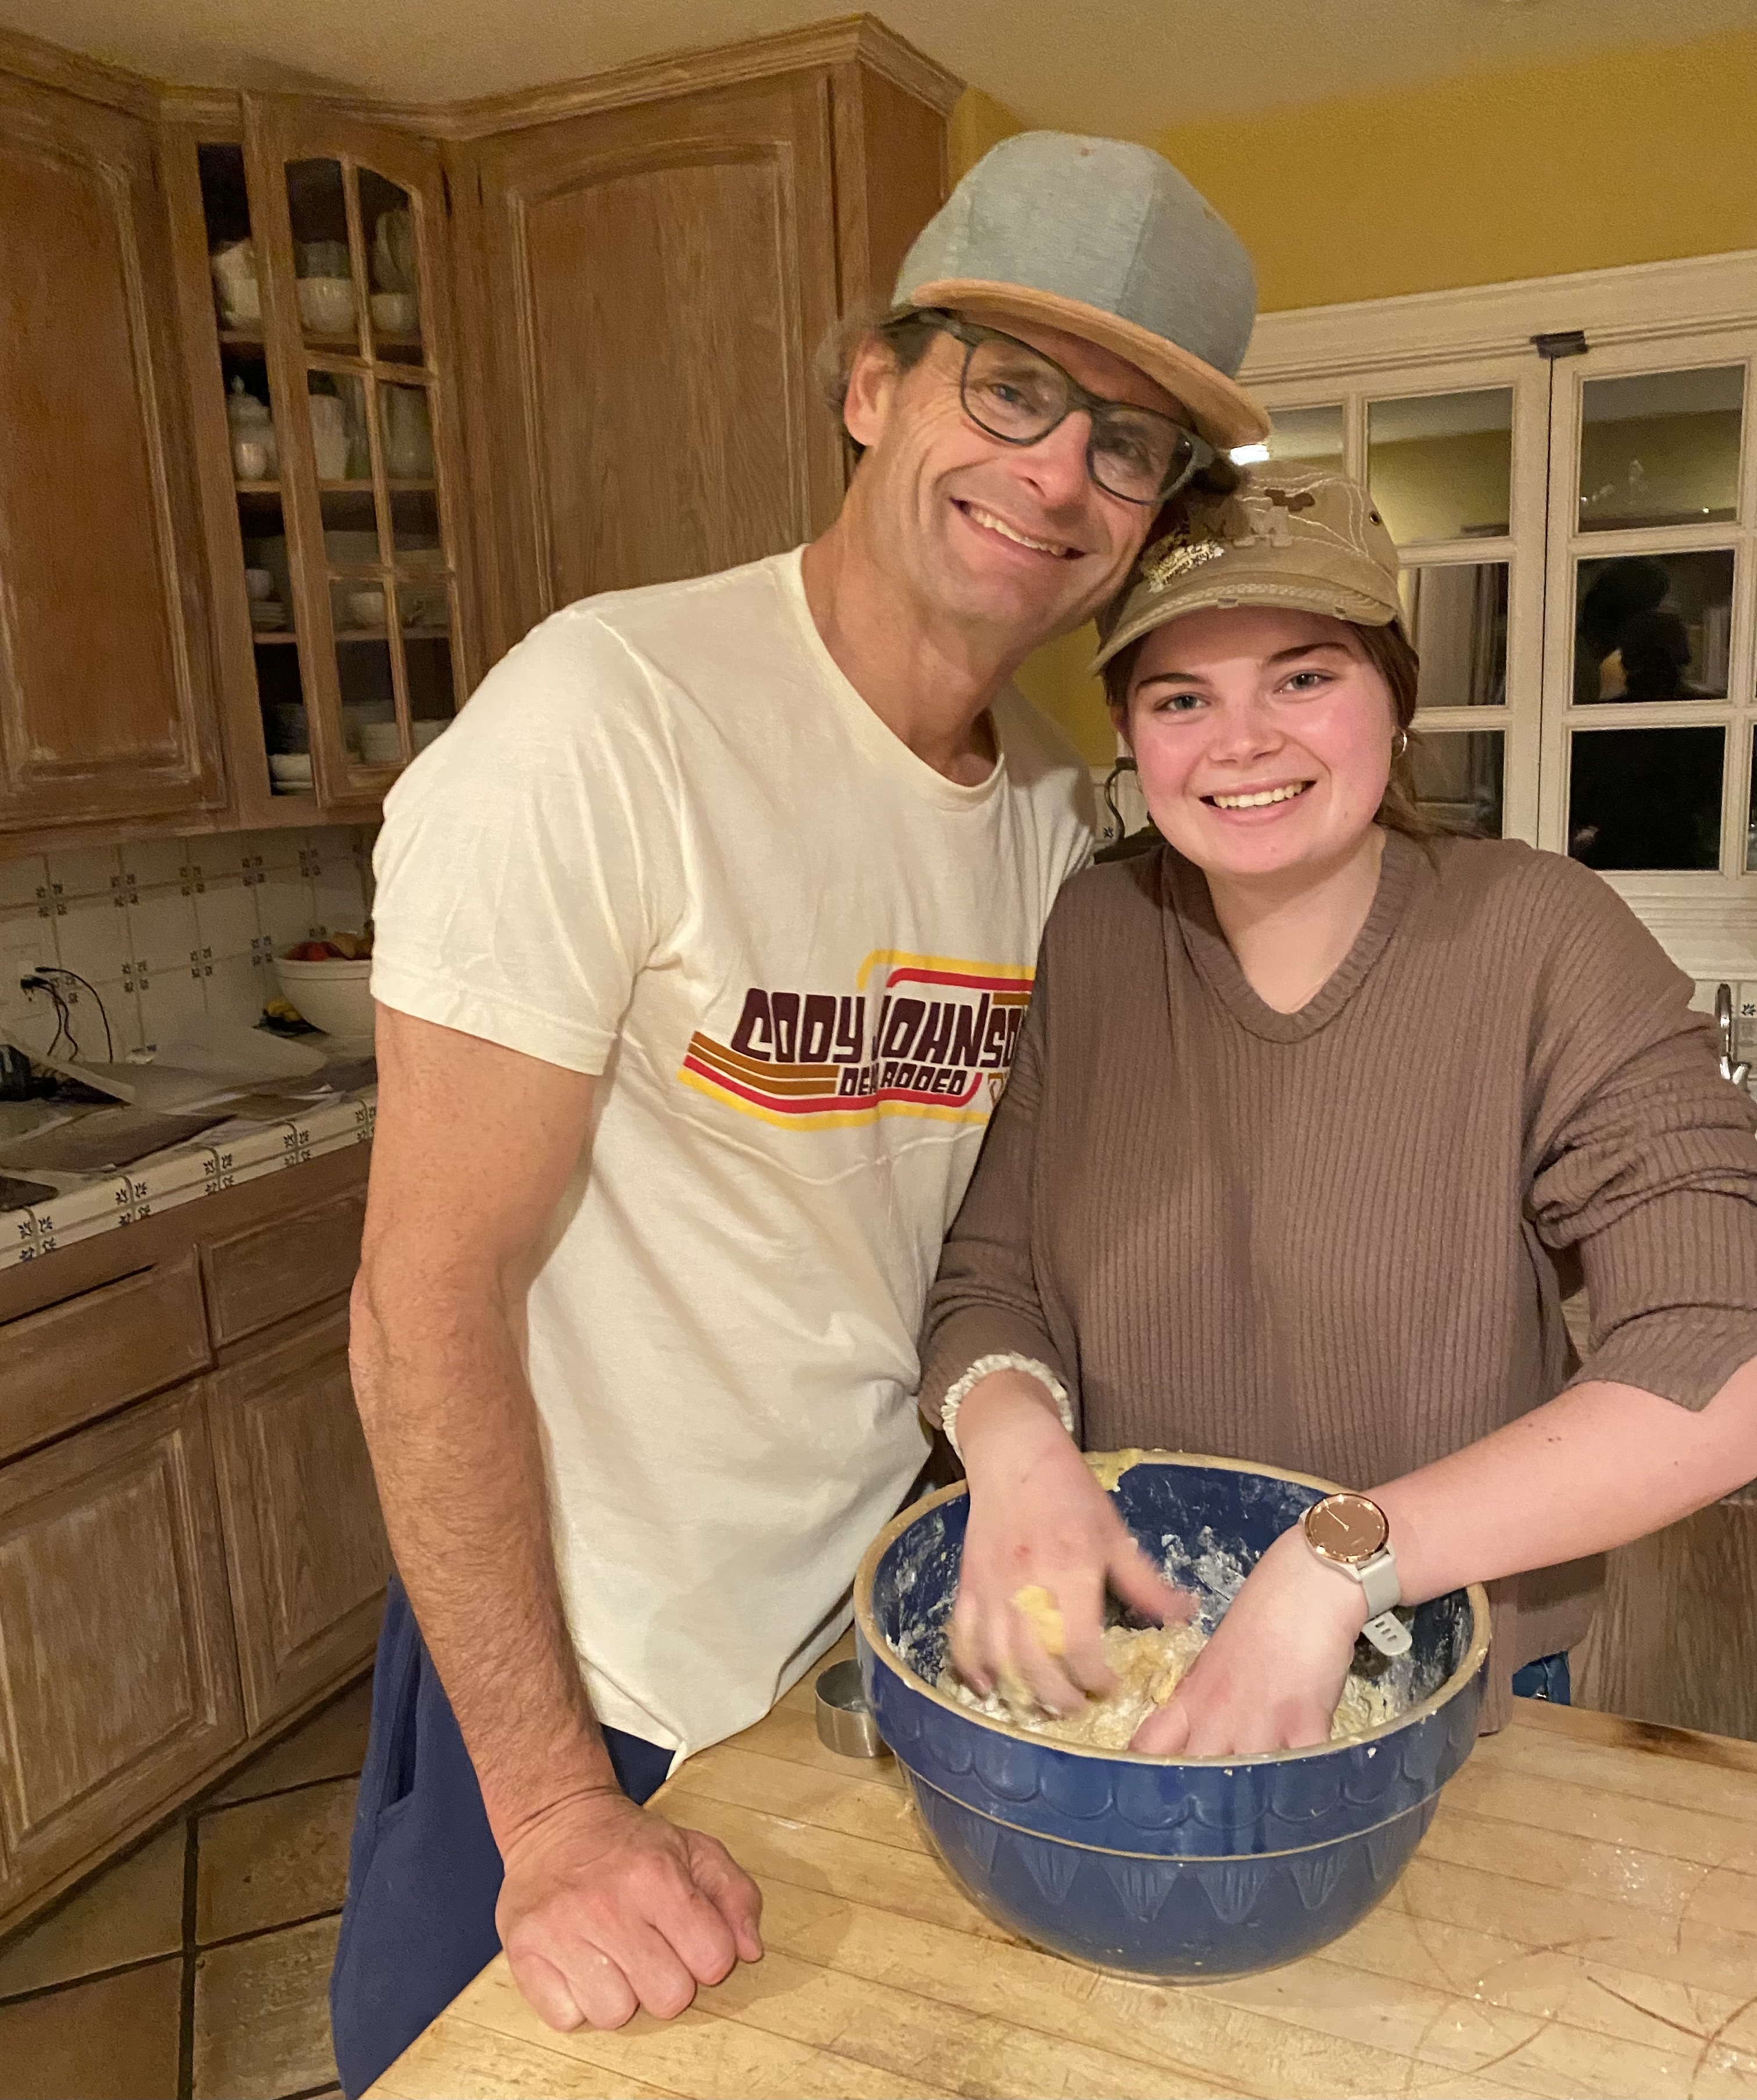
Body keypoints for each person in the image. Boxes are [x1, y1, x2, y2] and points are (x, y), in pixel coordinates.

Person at [329, 131, 1273, 2094]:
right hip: (585, 1678)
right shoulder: (607, 722)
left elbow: (973, 1247)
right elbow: (423, 1301)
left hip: (861, 1656)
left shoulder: (1049, 810)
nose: (1057, 476)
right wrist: (556, 1805)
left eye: (1129, 445)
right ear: (871, 383)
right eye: (1013, 389)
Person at [918, 465, 1757, 1757]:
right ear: (1132, 734)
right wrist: (1019, 1443)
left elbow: (1722, 1351)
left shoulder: (1536, 936)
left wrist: (1336, 1562)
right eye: (1182, 697)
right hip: (1122, 1674)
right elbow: (993, 1275)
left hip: (1437, 1686)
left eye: (1304, 677)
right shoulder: (1099, 932)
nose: (1242, 742)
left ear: (1394, 699)